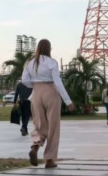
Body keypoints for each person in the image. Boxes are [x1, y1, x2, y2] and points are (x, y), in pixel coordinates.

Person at [22, 39, 74, 169]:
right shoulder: (52, 62)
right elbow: (57, 82)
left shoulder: (30, 62)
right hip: (50, 92)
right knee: (53, 127)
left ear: (38, 48)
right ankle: (49, 160)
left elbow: (24, 80)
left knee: (39, 124)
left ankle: (34, 148)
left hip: (36, 93)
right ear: (49, 49)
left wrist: (35, 85)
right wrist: (68, 101)